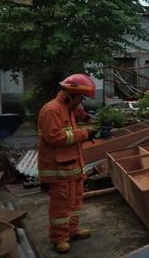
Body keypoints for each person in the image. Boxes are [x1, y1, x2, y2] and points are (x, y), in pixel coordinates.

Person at [37, 74, 97, 253]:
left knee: (75, 203)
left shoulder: (69, 107)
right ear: (70, 95)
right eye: (81, 98)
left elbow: (76, 114)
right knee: (61, 206)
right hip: (59, 170)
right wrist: (85, 134)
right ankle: (59, 238)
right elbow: (54, 137)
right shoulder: (52, 110)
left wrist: (86, 118)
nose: (81, 102)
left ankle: (72, 231)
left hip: (73, 167)